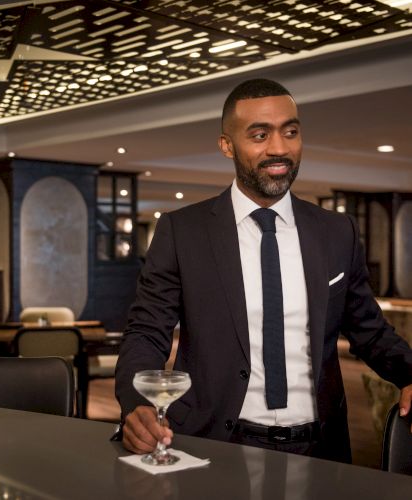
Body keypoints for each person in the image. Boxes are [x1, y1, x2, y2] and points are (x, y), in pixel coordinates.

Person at [114, 78, 412, 462]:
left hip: (321, 449)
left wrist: (409, 373)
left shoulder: (336, 231)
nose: (279, 148)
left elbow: (370, 331)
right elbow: (147, 331)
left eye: (290, 132)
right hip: (215, 444)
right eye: (260, 134)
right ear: (227, 145)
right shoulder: (183, 231)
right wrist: (135, 404)